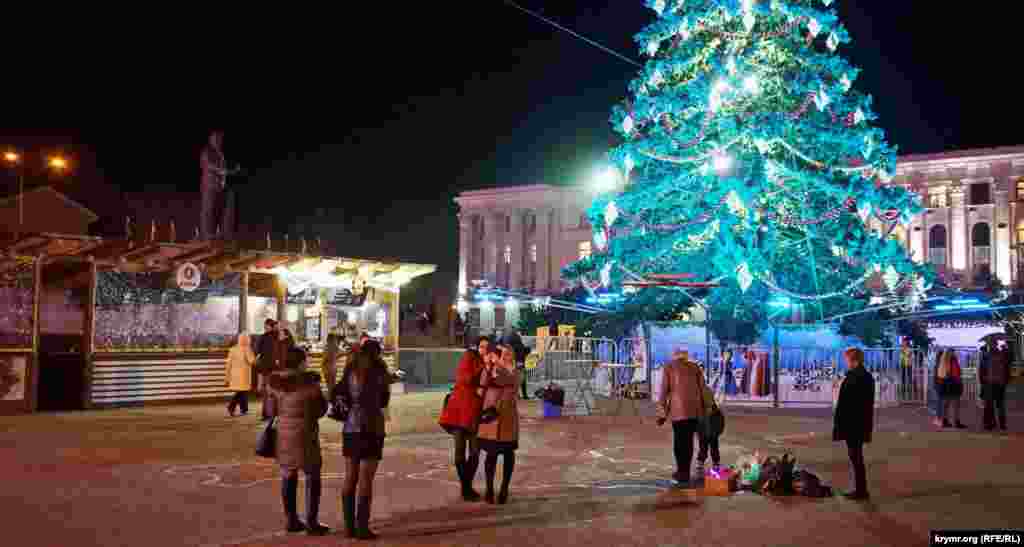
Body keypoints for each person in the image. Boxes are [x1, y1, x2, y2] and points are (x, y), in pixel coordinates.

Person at [332, 339, 392, 539]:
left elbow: (338, 392)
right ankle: (362, 527)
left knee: (350, 476)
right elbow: (384, 400)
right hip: (372, 427)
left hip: (351, 426)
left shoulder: (351, 369)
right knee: (366, 478)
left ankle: (349, 527)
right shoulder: (379, 371)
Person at [267, 355, 329, 535]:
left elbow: (270, 411)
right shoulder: (311, 384)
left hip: (284, 433)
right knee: (313, 475)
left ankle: (291, 519)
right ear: (301, 363)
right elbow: (321, 410)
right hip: (306, 433)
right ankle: (312, 522)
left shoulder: (275, 383)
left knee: (288, 474)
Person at [438, 335, 490, 501]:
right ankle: (466, 488)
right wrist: (483, 367)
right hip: (460, 410)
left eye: (487, 347)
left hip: (475, 412)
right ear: (476, 347)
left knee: (475, 452)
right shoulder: (469, 357)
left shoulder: (487, 363)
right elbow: (464, 378)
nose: (485, 350)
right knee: (460, 451)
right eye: (482, 346)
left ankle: (466, 486)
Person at [655, 349, 707, 486]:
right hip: (694, 410)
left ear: (674, 356)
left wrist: (662, 413)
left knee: (679, 441)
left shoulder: (669, 367)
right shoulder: (695, 367)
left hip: (678, 410)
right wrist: (705, 410)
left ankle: (681, 472)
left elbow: (664, 391)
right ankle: (686, 472)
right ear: (686, 356)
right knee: (688, 441)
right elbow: (703, 390)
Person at [477, 345, 521, 504]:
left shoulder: (515, 371)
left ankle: (504, 489)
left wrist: (498, 366)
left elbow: (509, 381)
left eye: (508, 353)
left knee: (509, 455)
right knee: (491, 455)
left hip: (508, 417)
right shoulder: (494, 367)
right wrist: (488, 366)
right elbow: (483, 383)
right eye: (503, 354)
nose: (505, 356)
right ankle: (489, 489)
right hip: (492, 417)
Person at [833, 348, 875, 500]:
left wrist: (841, 424)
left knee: (856, 457)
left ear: (854, 360)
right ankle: (860, 488)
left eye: (847, 360)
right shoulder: (866, 377)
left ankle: (861, 490)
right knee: (856, 457)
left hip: (853, 424)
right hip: (860, 422)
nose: (846, 363)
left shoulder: (855, 377)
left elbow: (848, 403)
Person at [695, 368, 725, 478]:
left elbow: (710, 406)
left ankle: (705, 462)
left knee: (707, 443)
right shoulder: (704, 389)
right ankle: (710, 462)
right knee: (710, 443)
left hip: (708, 421)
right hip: (708, 421)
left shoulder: (701, 390)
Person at [257, 319, 284, 420]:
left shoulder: (264, 337)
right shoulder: (279, 336)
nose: (265, 327)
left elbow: (258, 351)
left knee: (267, 393)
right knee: (274, 392)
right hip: (276, 368)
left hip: (267, 369)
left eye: (266, 325)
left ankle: (267, 413)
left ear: (269, 326)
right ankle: (273, 413)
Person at [980, 341, 1010, 431]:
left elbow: (981, 371)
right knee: (1000, 405)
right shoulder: (1002, 355)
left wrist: (983, 382)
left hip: (990, 383)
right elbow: (1007, 368)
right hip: (1000, 383)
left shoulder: (986, 356)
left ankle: (989, 424)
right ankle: (1002, 424)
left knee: (989, 405)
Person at [225, 333, 256, 417]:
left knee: (242, 392)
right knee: (241, 392)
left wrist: (227, 377)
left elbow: (228, 364)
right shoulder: (247, 349)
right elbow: (251, 361)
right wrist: (256, 358)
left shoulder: (233, 349)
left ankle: (244, 409)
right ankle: (231, 407)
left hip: (235, 375)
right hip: (244, 375)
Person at [936, 349, 966, 429]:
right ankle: (953, 421)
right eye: (952, 352)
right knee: (952, 403)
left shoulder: (945, 361)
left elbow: (956, 372)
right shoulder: (948, 360)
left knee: (949, 403)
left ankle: (948, 421)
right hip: (951, 383)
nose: (953, 353)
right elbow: (954, 373)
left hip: (949, 383)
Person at [501, 328, 531, 400]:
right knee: (521, 379)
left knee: (512, 379)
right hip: (519, 363)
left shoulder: (507, 340)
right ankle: (523, 395)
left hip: (513, 364)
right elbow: (527, 350)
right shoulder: (519, 343)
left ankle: (516, 394)